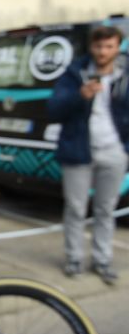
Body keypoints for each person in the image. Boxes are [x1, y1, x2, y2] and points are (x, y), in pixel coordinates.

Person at [48, 24, 129, 285]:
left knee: (106, 208)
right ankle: (74, 258)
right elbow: (54, 110)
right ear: (91, 47)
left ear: (118, 47)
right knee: (75, 208)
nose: (103, 52)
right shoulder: (75, 72)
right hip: (78, 150)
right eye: (98, 46)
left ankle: (102, 259)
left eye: (109, 46)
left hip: (114, 150)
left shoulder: (124, 74)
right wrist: (79, 96)